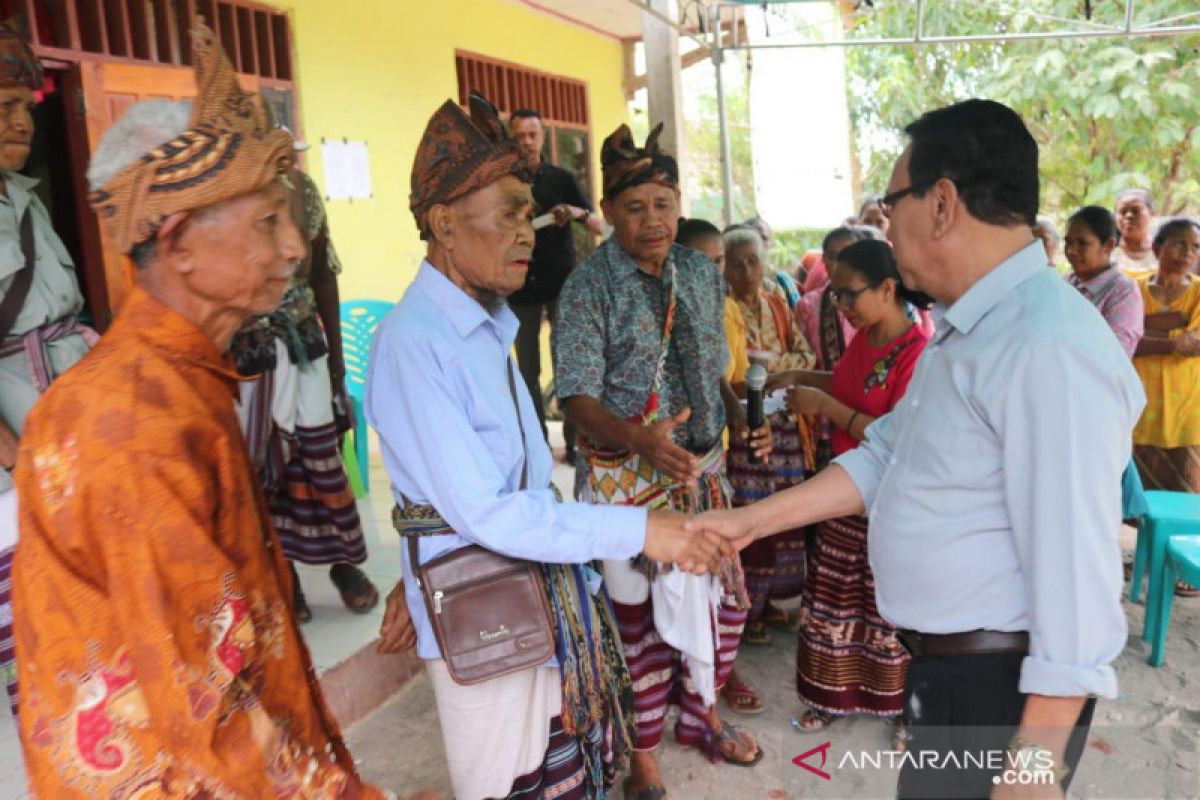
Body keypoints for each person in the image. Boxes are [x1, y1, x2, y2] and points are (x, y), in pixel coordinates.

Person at [689, 99, 1144, 800]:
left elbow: (1080, 580)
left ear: (941, 204)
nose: (885, 219)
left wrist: (1035, 766)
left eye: (890, 199)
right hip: (948, 672)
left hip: (1003, 692)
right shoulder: (973, 331)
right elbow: (886, 454)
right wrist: (750, 521)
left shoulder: (1045, 347)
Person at [12, 25, 393, 796]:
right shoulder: (131, 422)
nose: (294, 248)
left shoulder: (182, 382)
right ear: (179, 240)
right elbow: (200, 699)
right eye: (265, 223)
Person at [368, 94, 731, 800]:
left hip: (526, 592)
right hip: (485, 607)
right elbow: (491, 513)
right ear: (443, 223)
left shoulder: (484, 326)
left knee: (559, 771)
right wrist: (641, 529)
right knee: (508, 782)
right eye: (507, 212)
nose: (527, 231)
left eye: (528, 212)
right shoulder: (417, 343)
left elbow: (473, 493)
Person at [555, 122, 770, 799]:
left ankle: (701, 715)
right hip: (629, 486)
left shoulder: (699, 274)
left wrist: (739, 416)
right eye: (635, 206)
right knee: (638, 625)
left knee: (723, 604)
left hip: (704, 473)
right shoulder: (588, 287)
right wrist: (639, 438)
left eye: (664, 204)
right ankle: (643, 753)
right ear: (610, 212)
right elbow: (576, 399)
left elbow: (712, 373)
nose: (653, 220)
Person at [771, 239, 930, 750]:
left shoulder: (918, 353)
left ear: (888, 288)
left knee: (893, 612)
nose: (839, 307)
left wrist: (823, 404)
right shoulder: (865, 339)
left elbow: (895, 433)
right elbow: (844, 387)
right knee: (835, 604)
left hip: (889, 503)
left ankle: (907, 710)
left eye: (848, 295)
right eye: (834, 295)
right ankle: (830, 696)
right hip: (843, 496)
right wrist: (800, 379)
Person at [231, 164, 378, 623]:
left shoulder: (303, 189)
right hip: (246, 353)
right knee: (263, 472)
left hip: (304, 346)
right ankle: (285, 576)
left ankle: (344, 566)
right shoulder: (221, 194)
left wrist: (336, 363)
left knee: (322, 462)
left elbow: (323, 276)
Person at [0, 18, 96, 720]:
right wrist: (7, 452)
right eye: (1, 106)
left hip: (64, 421)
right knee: (40, 613)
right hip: (14, 441)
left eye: (23, 105)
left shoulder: (24, 197)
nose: (21, 120)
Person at [676, 218, 760, 716]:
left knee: (720, 580)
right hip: (673, 468)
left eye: (716, 262)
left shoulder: (726, 309)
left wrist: (744, 414)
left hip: (716, 459)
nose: (710, 272)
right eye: (698, 262)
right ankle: (691, 685)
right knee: (679, 583)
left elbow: (729, 374)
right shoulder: (664, 314)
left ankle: (716, 676)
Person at [723, 226, 815, 645]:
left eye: (752, 261)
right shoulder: (724, 310)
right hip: (745, 423)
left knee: (787, 513)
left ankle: (777, 602)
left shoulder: (777, 305)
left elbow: (806, 354)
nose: (745, 270)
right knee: (753, 513)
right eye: (736, 262)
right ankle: (749, 610)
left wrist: (769, 373)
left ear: (764, 263)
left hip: (784, 425)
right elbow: (731, 377)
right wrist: (775, 372)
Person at [507, 108, 605, 466]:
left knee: (568, 365)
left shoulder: (561, 179)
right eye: (518, 136)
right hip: (518, 287)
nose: (526, 143)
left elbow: (596, 223)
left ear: (543, 138)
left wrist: (573, 212)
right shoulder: (504, 184)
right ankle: (539, 446)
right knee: (527, 371)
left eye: (532, 135)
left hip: (562, 285)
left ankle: (575, 443)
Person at [1132, 217, 1200, 498]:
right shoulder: (1131, 287)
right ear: (1158, 248)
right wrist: (1176, 335)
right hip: (1139, 412)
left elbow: (1194, 342)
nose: (1188, 253)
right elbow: (1120, 338)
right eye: (1179, 244)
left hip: (1187, 413)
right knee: (1135, 502)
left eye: (1195, 247)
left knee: (1184, 502)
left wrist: (1143, 330)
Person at [1063, 206, 1143, 358]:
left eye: (1082, 243)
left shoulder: (1123, 291)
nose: (1071, 251)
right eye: (1068, 242)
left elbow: (1115, 353)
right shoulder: (1065, 283)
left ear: (1108, 245)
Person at [745, 214, 799, 307]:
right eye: (753, 238)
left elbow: (798, 314)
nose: (758, 243)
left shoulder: (781, 280)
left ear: (771, 243)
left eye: (763, 238)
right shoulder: (732, 283)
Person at [1114, 188, 1157, 275]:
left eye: (1136, 210)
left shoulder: (1163, 251)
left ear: (1151, 213)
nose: (1129, 215)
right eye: (1122, 211)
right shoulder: (1106, 252)